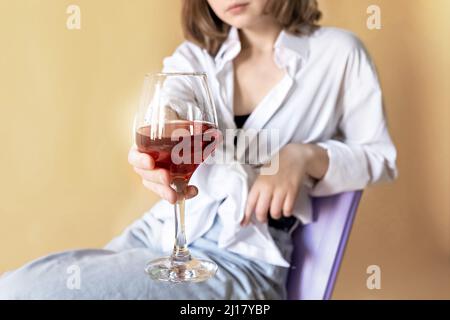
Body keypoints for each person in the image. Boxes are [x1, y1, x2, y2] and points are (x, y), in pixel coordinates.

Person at [0, 0, 397, 299]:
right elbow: (170, 101)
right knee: (15, 286)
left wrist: (303, 156)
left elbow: (380, 158)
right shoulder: (195, 58)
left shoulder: (339, 54)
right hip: (156, 237)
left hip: (241, 262)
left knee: (28, 293)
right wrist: (163, 131)